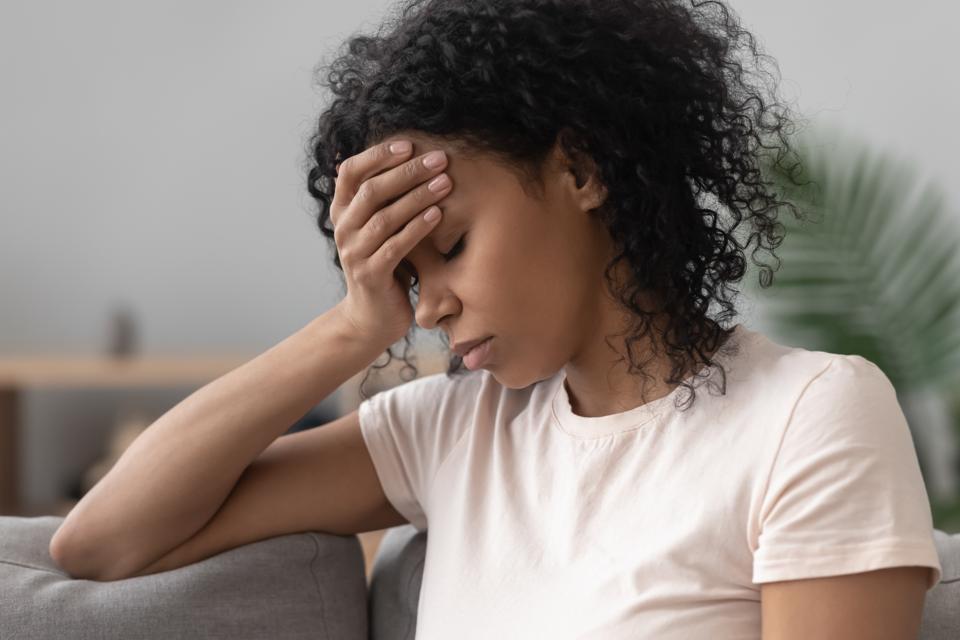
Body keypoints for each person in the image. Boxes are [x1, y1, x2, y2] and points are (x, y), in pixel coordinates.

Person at [50, 1, 941, 638]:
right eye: (406, 276)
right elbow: (101, 540)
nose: (429, 306)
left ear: (581, 171)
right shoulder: (450, 431)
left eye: (453, 245)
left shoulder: (809, 415)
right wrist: (353, 329)